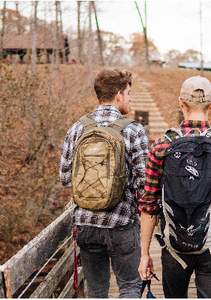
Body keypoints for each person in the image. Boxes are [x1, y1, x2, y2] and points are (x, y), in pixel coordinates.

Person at [137, 76, 211, 298]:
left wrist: (144, 254)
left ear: (181, 103)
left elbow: (148, 205)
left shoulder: (161, 145)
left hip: (174, 247)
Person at [60, 68, 149, 298]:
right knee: (130, 285)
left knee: (96, 290)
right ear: (118, 94)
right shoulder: (133, 130)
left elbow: (64, 178)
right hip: (122, 225)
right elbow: (144, 184)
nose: (129, 98)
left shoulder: (77, 128)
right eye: (128, 93)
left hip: (86, 225)